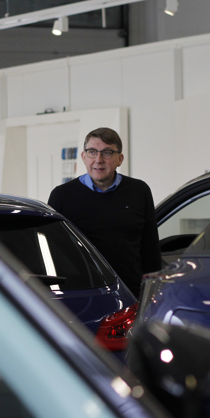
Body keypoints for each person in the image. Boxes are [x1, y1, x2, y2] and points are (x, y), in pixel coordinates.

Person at [48, 127, 161, 299]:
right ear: (83, 157)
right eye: (92, 152)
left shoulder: (139, 191)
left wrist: (152, 295)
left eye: (107, 153)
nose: (98, 160)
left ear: (120, 159)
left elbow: (150, 249)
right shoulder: (62, 196)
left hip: (131, 294)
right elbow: (52, 252)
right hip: (81, 295)